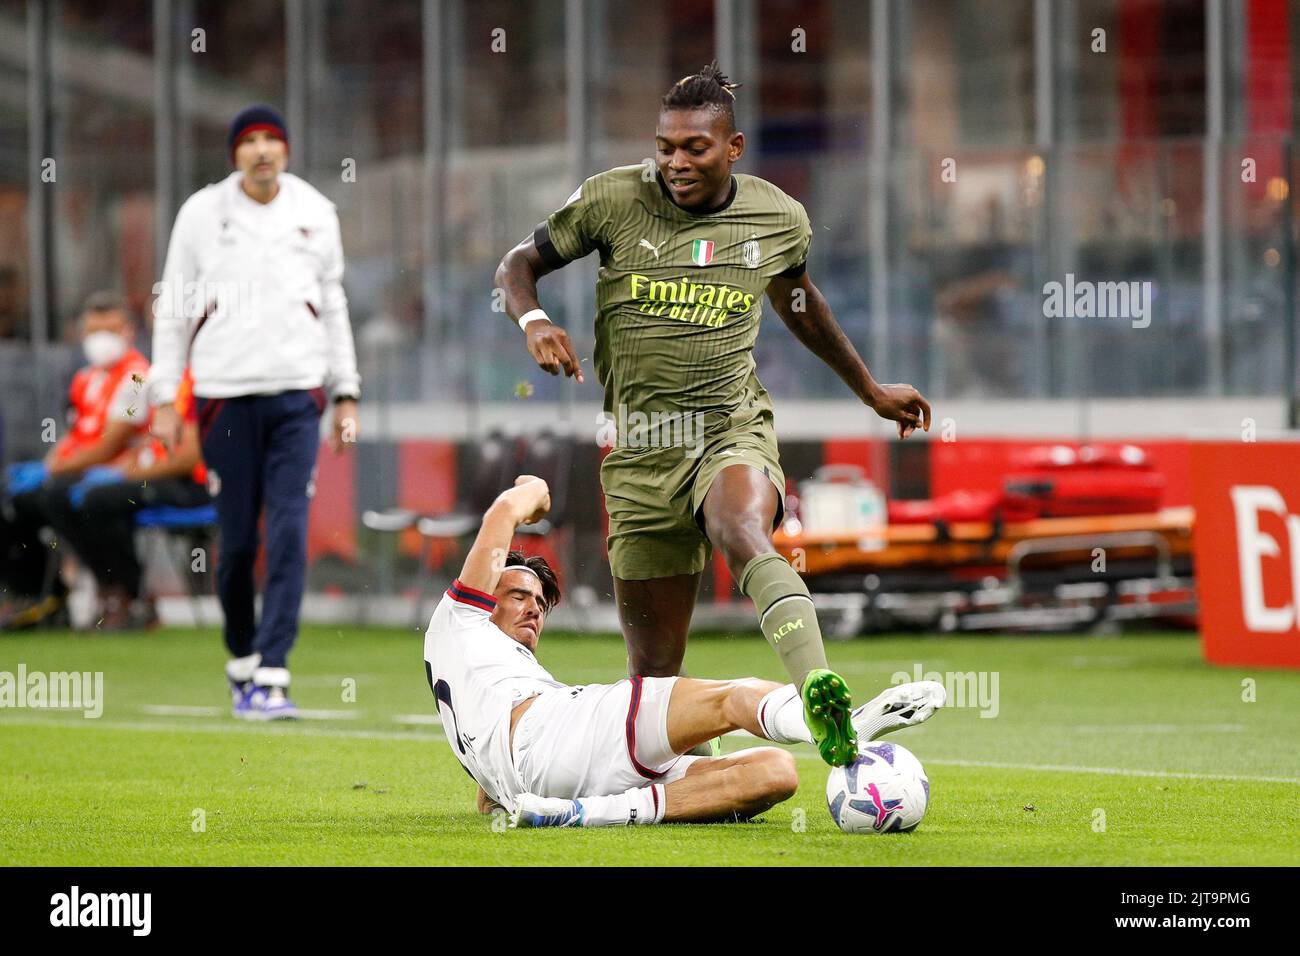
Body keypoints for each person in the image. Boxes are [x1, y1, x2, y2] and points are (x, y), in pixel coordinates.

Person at [494, 64, 932, 766]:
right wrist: (534, 321)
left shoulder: (777, 217)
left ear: (733, 148)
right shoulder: (612, 199)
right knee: (654, 680)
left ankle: (819, 692)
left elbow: (799, 304)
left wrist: (869, 390)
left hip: (729, 427)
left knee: (741, 528)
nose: (675, 162)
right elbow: (517, 265)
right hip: (641, 450)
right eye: (665, 146)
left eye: (694, 148)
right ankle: (701, 769)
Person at [424, 475, 945, 828]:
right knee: (733, 698)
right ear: (483, 595)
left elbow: (489, 793)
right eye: (518, 595)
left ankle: (580, 813)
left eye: (540, 602)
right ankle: (837, 723)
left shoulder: (479, 685)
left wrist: (497, 789)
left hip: (542, 778)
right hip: (563, 729)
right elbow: (503, 512)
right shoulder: (459, 621)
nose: (534, 608)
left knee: (774, 772)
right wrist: (530, 490)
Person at [147, 104, 361, 719]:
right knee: (238, 542)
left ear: (286, 150)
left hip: (298, 396)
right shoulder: (201, 213)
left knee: (289, 532)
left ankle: (273, 672)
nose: (262, 149)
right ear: (235, 153)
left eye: (272, 139)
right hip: (223, 396)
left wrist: (346, 392)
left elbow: (333, 304)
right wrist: (164, 396)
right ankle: (242, 658)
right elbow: (174, 307)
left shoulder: (316, 211)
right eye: (250, 140)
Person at [1, 292, 150, 630]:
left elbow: (110, 444)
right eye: (94, 331)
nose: (101, 339)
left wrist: (54, 469)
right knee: (12, 497)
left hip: (119, 474)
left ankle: (121, 590)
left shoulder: (137, 377)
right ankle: (37, 592)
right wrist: (49, 463)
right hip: (77, 471)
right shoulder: (85, 378)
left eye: (110, 330)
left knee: (62, 497)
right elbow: (74, 434)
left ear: (128, 331)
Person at [42, 369, 211, 630]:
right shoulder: (166, 381)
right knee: (65, 497)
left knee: (98, 501)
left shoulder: (197, 381)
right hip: (157, 477)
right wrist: (128, 464)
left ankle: (131, 594)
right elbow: (148, 442)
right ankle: (111, 587)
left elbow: (189, 457)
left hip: (194, 486)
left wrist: (134, 473)